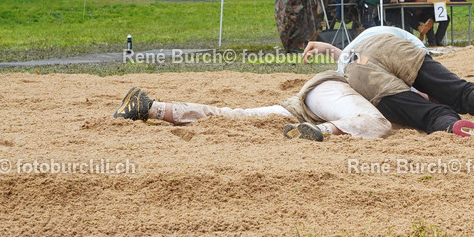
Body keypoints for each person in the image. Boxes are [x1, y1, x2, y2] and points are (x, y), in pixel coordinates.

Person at [302, 26, 474, 136]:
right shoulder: (397, 36)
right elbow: (425, 81)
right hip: (389, 45)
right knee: (460, 92)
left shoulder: (354, 53)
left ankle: (458, 127)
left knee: (429, 114)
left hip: (355, 70)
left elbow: (362, 61)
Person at [111, 73, 392, 141]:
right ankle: (319, 132)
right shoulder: (408, 60)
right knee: (377, 123)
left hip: (314, 99)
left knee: (239, 117)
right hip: (334, 91)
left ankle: (151, 107)